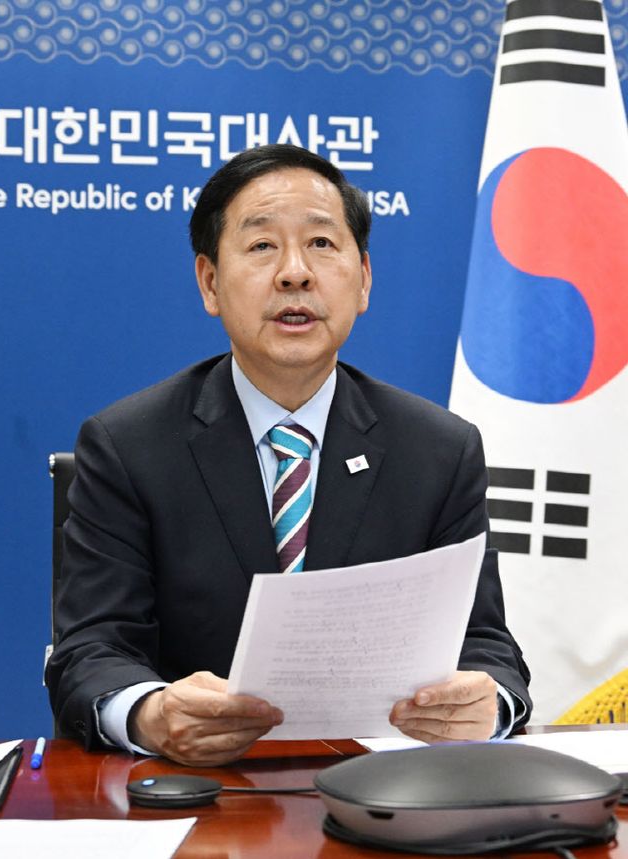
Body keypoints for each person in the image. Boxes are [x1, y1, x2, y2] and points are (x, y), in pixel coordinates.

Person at [46, 144, 531, 766]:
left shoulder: (439, 451)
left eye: (322, 244)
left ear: (363, 279)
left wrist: (488, 705)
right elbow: (89, 649)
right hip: (199, 786)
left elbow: (487, 644)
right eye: (262, 246)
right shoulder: (128, 446)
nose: (295, 273)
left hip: (384, 781)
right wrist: (150, 713)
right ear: (210, 282)